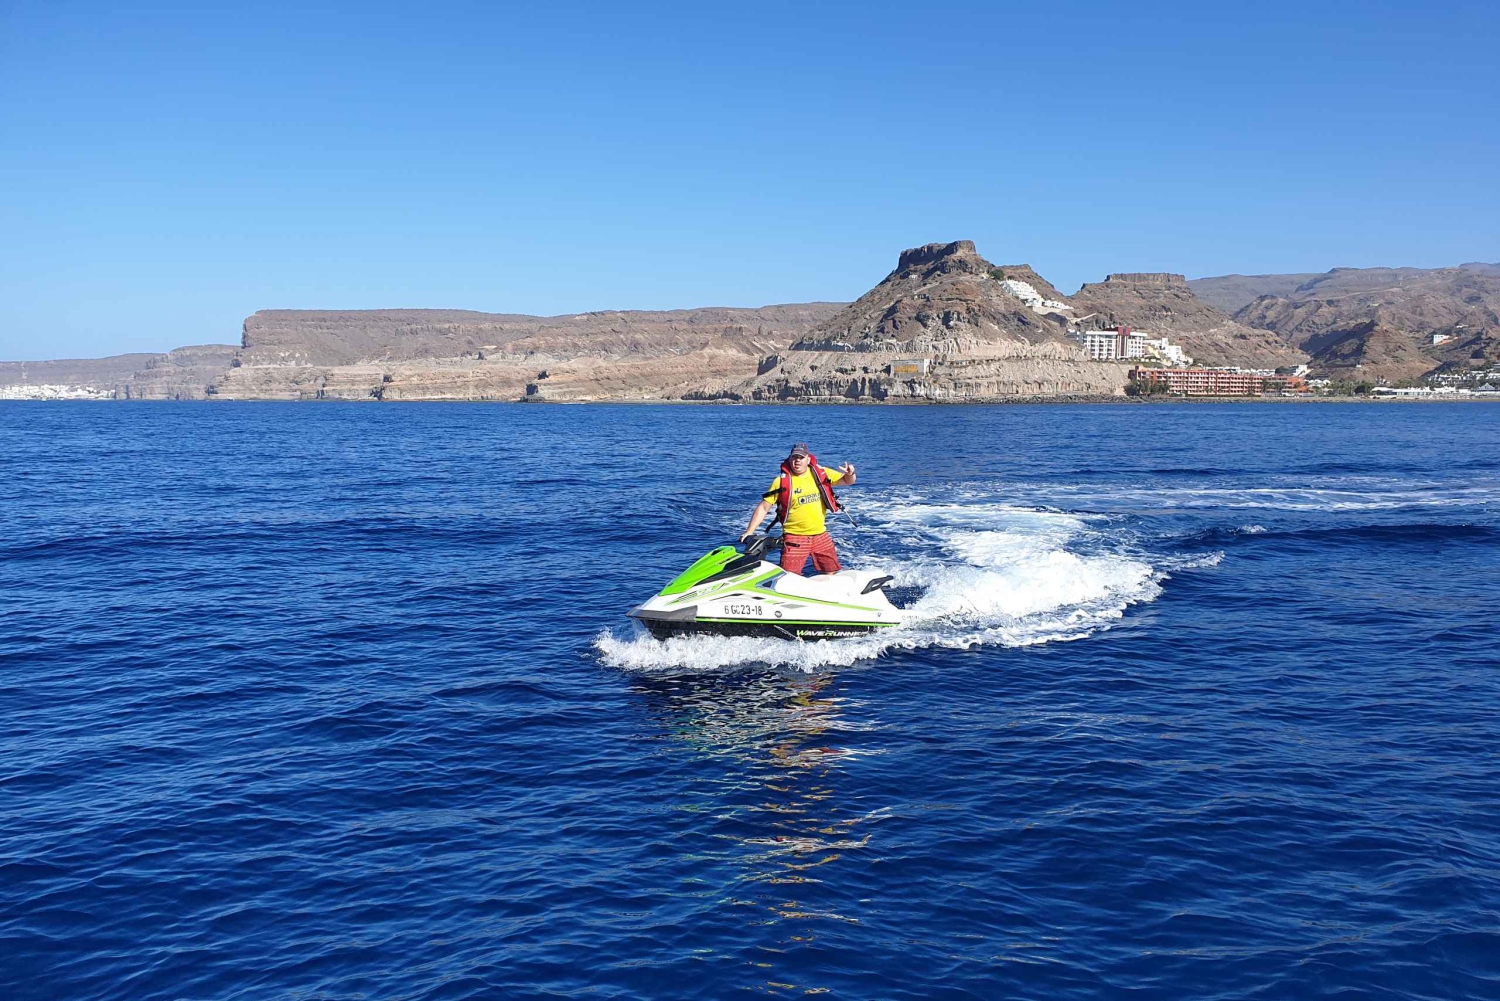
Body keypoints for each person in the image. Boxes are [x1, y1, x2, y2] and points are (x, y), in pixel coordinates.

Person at [740, 442, 856, 575]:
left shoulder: (821, 474)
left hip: (820, 535)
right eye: (794, 457)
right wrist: (749, 531)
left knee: (832, 572)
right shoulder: (781, 481)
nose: (797, 461)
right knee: (788, 578)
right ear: (790, 459)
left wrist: (850, 473)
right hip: (795, 538)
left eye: (801, 458)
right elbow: (764, 507)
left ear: (808, 459)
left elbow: (848, 481)